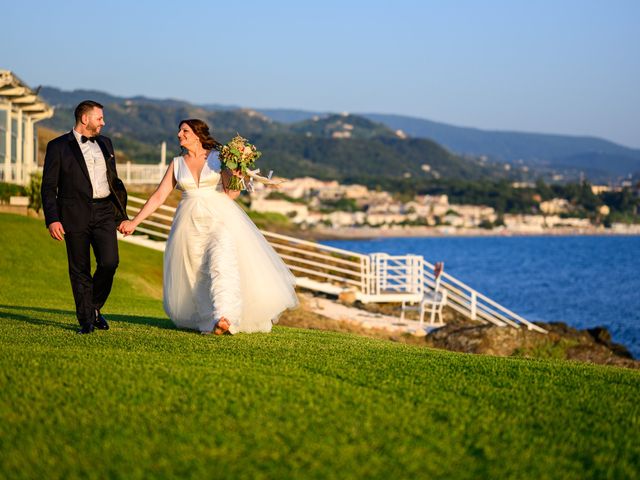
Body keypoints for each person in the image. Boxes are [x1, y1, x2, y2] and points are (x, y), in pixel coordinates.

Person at [118, 119, 297, 335]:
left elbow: (231, 194)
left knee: (223, 263)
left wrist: (237, 177)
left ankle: (226, 316)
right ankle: (209, 322)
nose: (179, 135)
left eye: (184, 131)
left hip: (219, 218)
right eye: (179, 131)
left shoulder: (218, 158)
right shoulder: (176, 163)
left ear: (197, 134)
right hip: (189, 223)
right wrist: (134, 222)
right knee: (196, 273)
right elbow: (158, 197)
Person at [41, 100, 128, 334]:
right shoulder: (57, 146)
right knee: (79, 269)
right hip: (73, 214)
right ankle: (86, 322)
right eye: (99, 118)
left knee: (109, 262)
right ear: (85, 119)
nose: (103, 122)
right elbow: (48, 187)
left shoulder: (106, 143)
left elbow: (114, 183)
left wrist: (121, 216)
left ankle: (94, 307)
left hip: (104, 212)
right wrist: (52, 219)